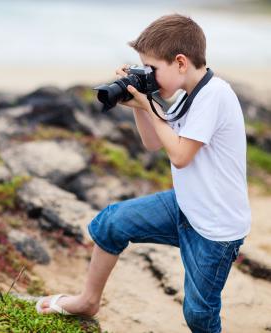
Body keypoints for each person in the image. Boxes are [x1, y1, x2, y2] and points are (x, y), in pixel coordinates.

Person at [35, 14, 251, 333]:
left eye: (152, 69)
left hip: (216, 229)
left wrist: (149, 107)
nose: (149, 76)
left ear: (180, 62)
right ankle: (87, 301)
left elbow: (179, 156)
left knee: (198, 314)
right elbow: (152, 143)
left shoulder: (214, 95)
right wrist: (141, 105)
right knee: (111, 223)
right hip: (187, 206)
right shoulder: (187, 96)